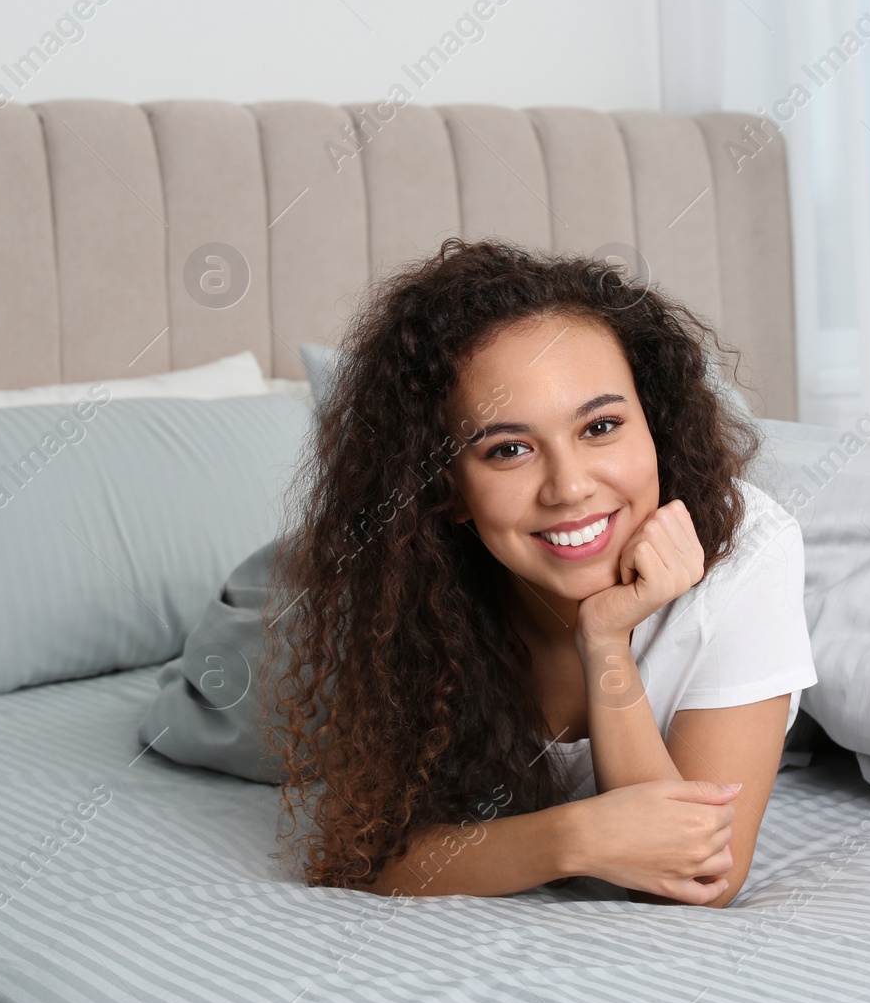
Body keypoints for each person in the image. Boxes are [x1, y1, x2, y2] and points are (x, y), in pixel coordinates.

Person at [261, 237, 817, 907]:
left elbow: (699, 878)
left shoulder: (753, 551)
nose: (570, 486)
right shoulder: (411, 583)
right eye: (510, 448)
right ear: (448, 488)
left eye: (601, 425)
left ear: (654, 425)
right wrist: (573, 837)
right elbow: (368, 859)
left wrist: (605, 641)